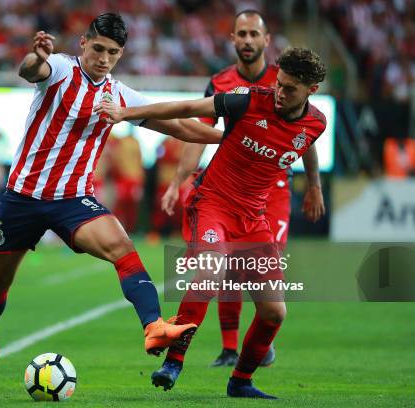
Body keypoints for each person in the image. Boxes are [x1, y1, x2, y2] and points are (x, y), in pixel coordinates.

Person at [0, 13, 225, 393]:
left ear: (121, 55)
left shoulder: (120, 95)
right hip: (23, 197)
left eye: (113, 53)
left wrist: (224, 138)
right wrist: (36, 56)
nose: (104, 58)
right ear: (83, 43)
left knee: (122, 247)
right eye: (98, 48)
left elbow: (179, 126)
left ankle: (153, 326)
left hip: (74, 199)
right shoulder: (61, 70)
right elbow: (30, 70)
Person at [96, 46, 327, 399]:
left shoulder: (317, 122)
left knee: (274, 312)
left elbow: (306, 141)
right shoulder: (248, 100)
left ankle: (240, 381)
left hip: (254, 218)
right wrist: (125, 113)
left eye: (290, 89)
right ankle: (174, 360)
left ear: (310, 91)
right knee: (211, 270)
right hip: (214, 203)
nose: (280, 93)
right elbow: (187, 109)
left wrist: (314, 185)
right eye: (279, 84)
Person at [160, 10, 285, 369]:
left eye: (253, 34)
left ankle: (259, 340)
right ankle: (231, 348)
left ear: (266, 39)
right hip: (230, 188)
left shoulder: (283, 80)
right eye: (241, 34)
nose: (247, 40)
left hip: (272, 189)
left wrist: (315, 185)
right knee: (225, 267)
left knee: (261, 272)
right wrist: (177, 180)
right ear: (232, 39)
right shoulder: (220, 82)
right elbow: (196, 134)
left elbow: (308, 130)